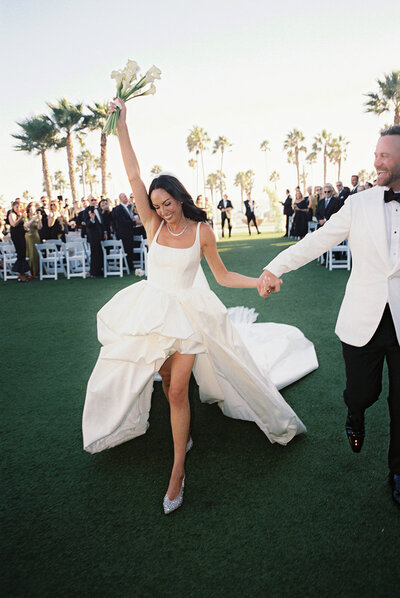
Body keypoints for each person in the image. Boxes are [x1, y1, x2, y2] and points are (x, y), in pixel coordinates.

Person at [82, 99, 318, 515]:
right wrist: (122, 124)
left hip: (188, 316)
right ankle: (182, 429)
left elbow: (222, 276)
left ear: (179, 198)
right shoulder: (153, 226)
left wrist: (259, 280)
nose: (161, 211)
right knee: (166, 376)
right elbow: (134, 173)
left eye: (166, 203)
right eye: (155, 206)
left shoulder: (202, 231)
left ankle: (177, 470)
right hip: (151, 311)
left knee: (175, 390)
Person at [258, 125, 400, 508]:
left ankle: (398, 471)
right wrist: (275, 268)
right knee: (364, 392)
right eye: (376, 154)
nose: (376, 161)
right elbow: (318, 241)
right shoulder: (358, 204)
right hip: (362, 320)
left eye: (384, 155)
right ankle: (355, 412)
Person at [112, 192, 137, 270]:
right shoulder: (118, 209)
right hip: (123, 233)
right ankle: (127, 266)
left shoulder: (129, 207)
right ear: (120, 199)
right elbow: (122, 221)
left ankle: (130, 265)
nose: (126, 198)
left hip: (130, 232)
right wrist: (135, 222)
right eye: (124, 197)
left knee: (130, 249)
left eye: (126, 196)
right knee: (126, 249)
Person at [8, 199, 30, 282]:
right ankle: (20, 274)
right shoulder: (12, 215)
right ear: (13, 207)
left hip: (21, 235)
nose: (18, 208)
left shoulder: (20, 215)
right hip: (16, 236)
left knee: (23, 253)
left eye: (20, 207)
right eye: (16, 207)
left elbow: (22, 225)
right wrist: (21, 217)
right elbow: (14, 224)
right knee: (20, 253)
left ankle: (22, 273)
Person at [24, 202, 42, 278]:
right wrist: (33, 219)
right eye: (30, 209)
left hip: (35, 236)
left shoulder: (36, 217)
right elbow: (26, 225)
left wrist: (40, 220)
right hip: (28, 237)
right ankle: (29, 272)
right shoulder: (26, 217)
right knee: (29, 253)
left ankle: (36, 271)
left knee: (35, 254)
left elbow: (39, 227)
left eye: (33, 209)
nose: (31, 210)